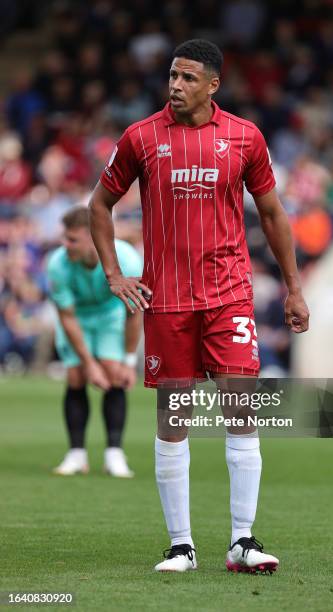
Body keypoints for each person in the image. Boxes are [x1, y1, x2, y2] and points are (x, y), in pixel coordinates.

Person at [88, 39, 309, 572]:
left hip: (228, 294)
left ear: (213, 85)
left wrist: (294, 286)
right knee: (175, 417)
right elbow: (99, 204)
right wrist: (114, 274)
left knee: (241, 409)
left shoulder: (244, 136)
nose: (175, 86)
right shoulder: (140, 137)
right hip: (166, 301)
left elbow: (274, 214)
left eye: (188, 78)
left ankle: (242, 541)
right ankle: (181, 545)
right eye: (172, 75)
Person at [47, 206, 143, 478]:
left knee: (114, 374)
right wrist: (89, 364)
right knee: (76, 376)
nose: (65, 245)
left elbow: (133, 313)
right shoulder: (57, 265)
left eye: (72, 239)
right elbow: (66, 316)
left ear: (93, 236)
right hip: (77, 318)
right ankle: (76, 454)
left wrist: (128, 361)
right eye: (64, 238)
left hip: (111, 315)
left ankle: (115, 454)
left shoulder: (127, 259)